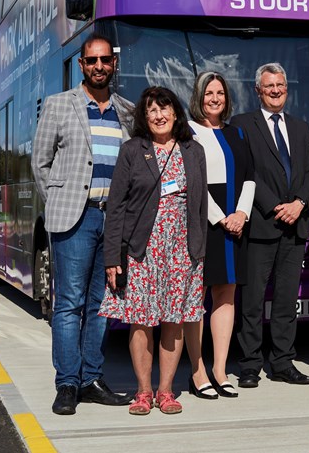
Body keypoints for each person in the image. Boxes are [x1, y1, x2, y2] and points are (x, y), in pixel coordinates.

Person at [32, 33, 134, 415]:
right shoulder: (60, 106)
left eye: (105, 60)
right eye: (91, 61)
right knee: (69, 304)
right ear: (81, 65)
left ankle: (91, 378)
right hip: (75, 217)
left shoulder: (127, 110)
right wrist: (60, 199)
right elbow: (39, 163)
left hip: (113, 220)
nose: (98, 67)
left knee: (101, 304)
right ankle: (67, 383)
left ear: (113, 63)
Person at [100, 87, 208, 415]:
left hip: (181, 252)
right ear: (144, 118)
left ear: (176, 113)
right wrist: (112, 257)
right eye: (151, 110)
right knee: (141, 322)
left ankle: (166, 392)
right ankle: (143, 392)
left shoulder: (193, 150)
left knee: (174, 321)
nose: (159, 115)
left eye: (164, 109)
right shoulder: (133, 150)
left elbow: (200, 203)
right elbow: (116, 206)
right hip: (141, 250)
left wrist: (199, 249)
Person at [233, 63, 309, 387]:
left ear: (287, 88)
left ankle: (283, 362)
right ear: (258, 90)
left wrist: (299, 203)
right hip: (261, 225)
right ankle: (250, 366)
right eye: (269, 86)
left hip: (295, 225)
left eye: (280, 85)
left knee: (286, 301)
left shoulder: (301, 127)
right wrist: (274, 206)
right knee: (252, 302)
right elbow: (248, 171)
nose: (275, 90)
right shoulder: (242, 124)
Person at [185, 72, 256, 399]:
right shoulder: (187, 131)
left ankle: (220, 369)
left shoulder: (237, 133)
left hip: (235, 222)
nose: (215, 98)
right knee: (196, 300)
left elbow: (250, 178)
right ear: (198, 95)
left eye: (220, 93)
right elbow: (192, 180)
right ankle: (198, 371)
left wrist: (241, 214)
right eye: (209, 92)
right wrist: (221, 217)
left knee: (226, 295)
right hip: (204, 221)